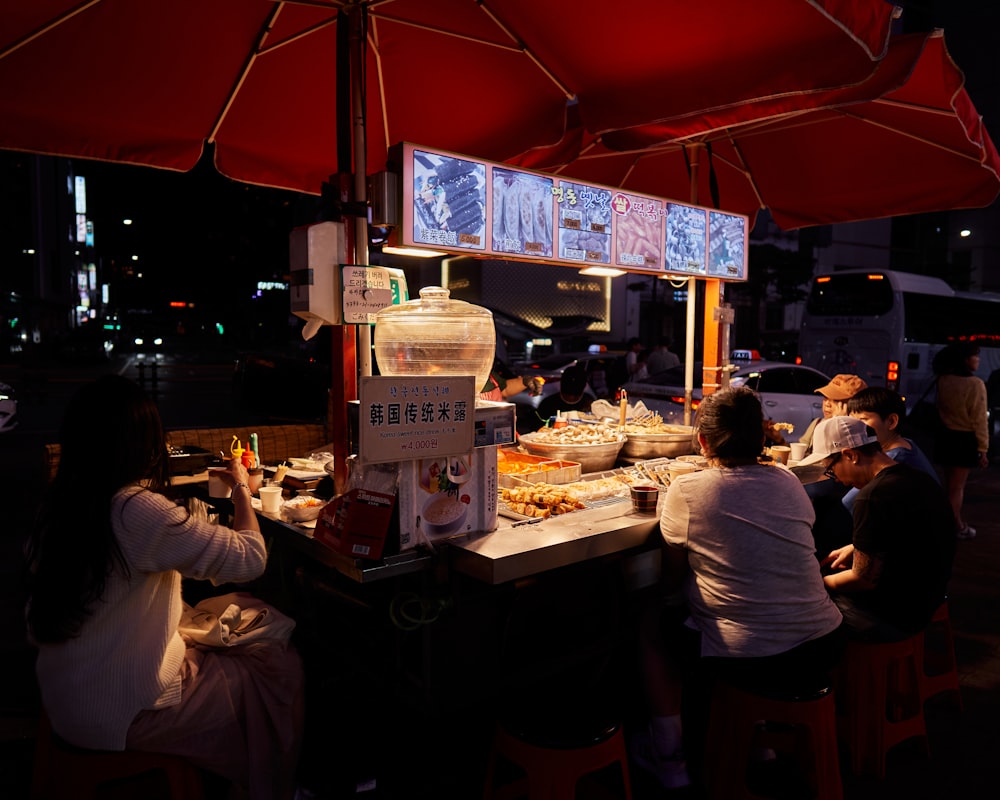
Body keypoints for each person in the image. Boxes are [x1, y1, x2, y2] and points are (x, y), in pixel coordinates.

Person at [23, 375, 304, 799]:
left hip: (66, 698)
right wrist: (242, 491)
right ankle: (272, 786)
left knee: (228, 616)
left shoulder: (61, 504)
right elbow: (250, 557)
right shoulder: (135, 509)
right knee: (278, 669)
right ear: (140, 444)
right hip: (119, 713)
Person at [634, 387, 844, 790]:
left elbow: (671, 580)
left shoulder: (688, 490)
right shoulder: (787, 480)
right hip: (823, 643)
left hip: (750, 657)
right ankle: (755, 738)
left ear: (702, 442)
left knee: (651, 624)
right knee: (753, 607)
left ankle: (670, 758)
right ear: (762, 437)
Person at [799, 416, 956, 642]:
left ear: (850, 455)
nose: (837, 480)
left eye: (832, 471)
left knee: (801, 611)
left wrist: (817, 582)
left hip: (893, 618)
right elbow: (909, 535)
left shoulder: (871, 497)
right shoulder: (917, 477)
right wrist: (858, 546)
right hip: (927, 602)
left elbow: (863, 579)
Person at [842, 386, 938, 512]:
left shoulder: (892, 460)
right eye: (851, 420)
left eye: (863, 420)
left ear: (892, 421)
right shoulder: (906, 444)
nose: (854, 427)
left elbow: (849, 503)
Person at [933, 342, 990, 539]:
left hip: (944, 437)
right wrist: (983, 448)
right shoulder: (975, 384)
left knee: (948, 486)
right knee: (957, 489)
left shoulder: (943, 380)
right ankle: (954, 527)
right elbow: (979, 419)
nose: (978, 359)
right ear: (966, 360)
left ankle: (954, 523)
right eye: (975, 356)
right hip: (964, 439)